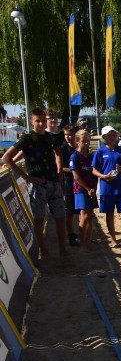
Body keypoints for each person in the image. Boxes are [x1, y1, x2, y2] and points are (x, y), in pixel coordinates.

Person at [1, 108, 69, 258]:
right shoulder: (26, 139)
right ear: (31, 122)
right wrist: (26, 177)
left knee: (60, 217)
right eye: (37, 121)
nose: (41, 123)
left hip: (53, 183)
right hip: (37, 185)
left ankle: (63, 249)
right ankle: (44, 250)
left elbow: (58, 154)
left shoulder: (52, 138)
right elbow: (7, 158)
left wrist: (60, 173)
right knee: (39, 219)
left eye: (43, 120)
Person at [69, 129, 97, 251]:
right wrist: (87, 188)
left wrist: (94, 188)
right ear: (77, 141)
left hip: (91, 188)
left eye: (88, 140)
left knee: (90, 215)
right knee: (84, 215)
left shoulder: (91, 156)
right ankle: (82, 241)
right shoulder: (74, 156)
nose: (86, 143)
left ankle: (88, 240)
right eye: (84, 141)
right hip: (80, 189)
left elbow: (94, 173)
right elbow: (76, 176)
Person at [59, 123, 80, 247]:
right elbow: (59, 167)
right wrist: (74, 170)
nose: (67, 137)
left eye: (70, 135)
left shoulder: (80, 146)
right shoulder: (62, 148)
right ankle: (71, 235)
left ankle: (83, 233)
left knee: (83, 209)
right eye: (65, 134)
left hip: (81, 182)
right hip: (68, 182)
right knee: (70, 211)